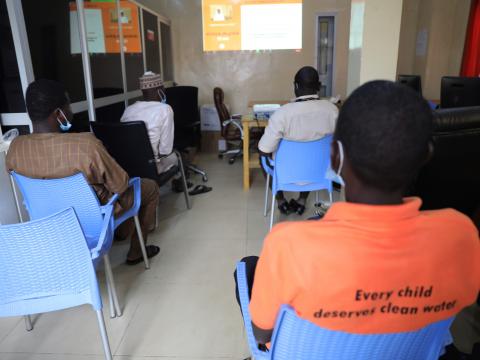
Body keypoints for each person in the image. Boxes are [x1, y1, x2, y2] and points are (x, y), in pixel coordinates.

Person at [235, 81, 480, 347]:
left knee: (247, 268)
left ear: (335, 157)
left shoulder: (289, 245)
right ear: (426, 155)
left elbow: (263, 334)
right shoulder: (460, 235)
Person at [6, 79, 160, 265]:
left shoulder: (16, 148)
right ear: (58, 114)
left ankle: (122, 230)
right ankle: (136, 252)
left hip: (50, 222)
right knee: (149, 188)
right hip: (94, 220)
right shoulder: (85, 145)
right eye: (68, 106)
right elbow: (121, 184)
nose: (71, 111)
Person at [258, 66, 338, 216]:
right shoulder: (332, 110)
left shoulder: (282, 114)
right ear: (319, 87)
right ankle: (302, 201)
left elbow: (264, 150)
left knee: (261, 156)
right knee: (312, 158)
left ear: (295, 86)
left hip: (287, 172)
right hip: (319, 171)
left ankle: (281, 201)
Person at [121, 71, 178, 176]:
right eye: (163, 88)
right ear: (159, 90)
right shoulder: (165, 109)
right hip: (151, 167)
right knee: (177, 157)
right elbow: (165, 150)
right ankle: (179, 183)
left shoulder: (128, 110)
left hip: (126, 167)